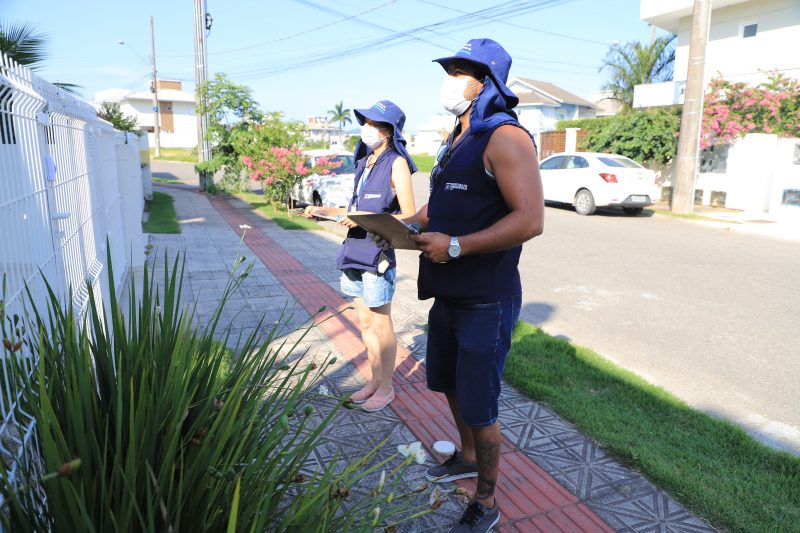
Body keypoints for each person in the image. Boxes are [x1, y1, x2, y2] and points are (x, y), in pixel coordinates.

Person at [402, 39, 544, 532]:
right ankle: (465, 456)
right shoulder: (457, 136)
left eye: (461, 71)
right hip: (448, 294)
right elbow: (437, 211)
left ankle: (486, 502)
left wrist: (457, 246)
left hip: (486, 298)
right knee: (446, 381)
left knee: (481, 405)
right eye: (450, 69)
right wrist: (396, 225)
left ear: (485, 82)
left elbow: (531, 220)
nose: (450, 79)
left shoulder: (506, 138)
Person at [302, 100, 417, 412]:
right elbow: (353, 211)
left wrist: (364, 218)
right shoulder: (364, 162)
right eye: (364, 121)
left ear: (389, 130)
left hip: (377, 254)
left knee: (381, 325)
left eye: (373, 123)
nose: (366, 128)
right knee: (365, 323)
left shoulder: (397, 163)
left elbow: (409, 214)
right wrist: (321, 211)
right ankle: (374, 380)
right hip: (354, 251)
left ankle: (387, 387)